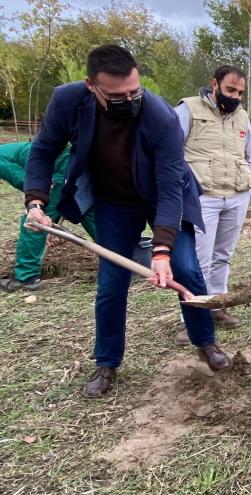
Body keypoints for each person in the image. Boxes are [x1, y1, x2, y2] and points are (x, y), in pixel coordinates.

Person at [24, 44, 232, 398]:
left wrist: (162, 250)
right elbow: (43, 151)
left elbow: (169, 188)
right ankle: (107, 362)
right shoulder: (68, 102)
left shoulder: (161, 116)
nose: (130, 100)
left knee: (186, 269)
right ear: (93, 86)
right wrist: (36, 201)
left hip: (163, 195)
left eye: (135, 91)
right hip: (114, 202)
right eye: (118, 96)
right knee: (111, 283)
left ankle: (205, 342)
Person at [174, 65, 251, 337]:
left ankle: (218, 306)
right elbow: (168, 152)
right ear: (214, 84)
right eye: (230, 90)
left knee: (223, 255)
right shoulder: (188, 110)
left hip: (235, 197)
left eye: (240, 93)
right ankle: (192, 320)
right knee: (198, 262)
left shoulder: (242, 117)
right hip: (202, 200)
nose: (235, 97)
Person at [0, 142, 97, 291]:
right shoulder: (8, 151)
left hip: (55, 169)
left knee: (34, 221)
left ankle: (26, 277)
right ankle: (125, 255)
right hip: (69, 163)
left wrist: (38, 192)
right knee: (87, 211)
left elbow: (24, 179)